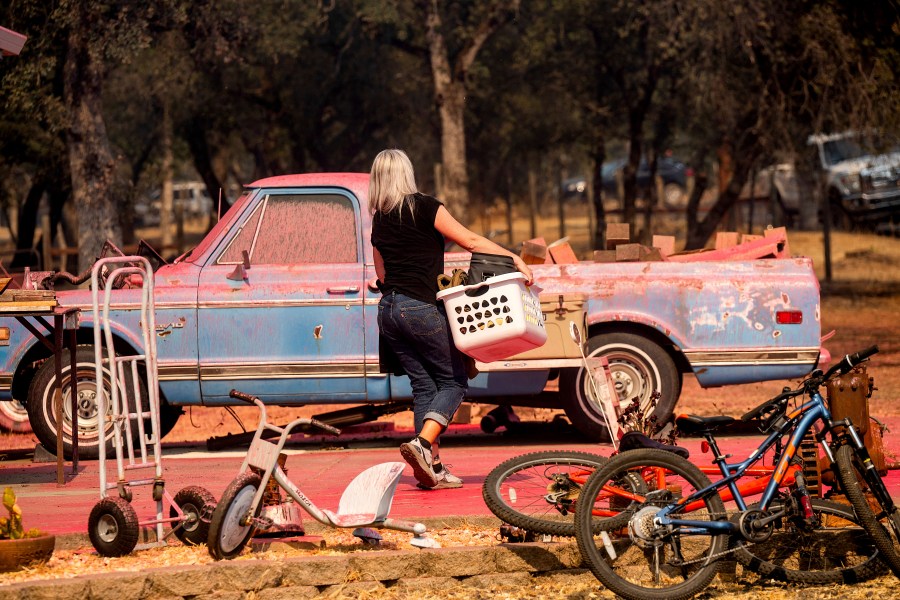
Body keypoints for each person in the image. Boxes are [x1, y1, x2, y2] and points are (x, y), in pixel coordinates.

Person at [369, 149, 533, 489]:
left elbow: (381, 274)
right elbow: (471, 240)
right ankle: (422, 444)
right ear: (407, 174)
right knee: (454, 381)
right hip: (419, 308)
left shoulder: (379, 219)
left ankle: (433, 469)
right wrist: (514, 258)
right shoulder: (425, 206)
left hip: (388, 311)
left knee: (424, 387)